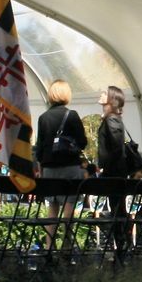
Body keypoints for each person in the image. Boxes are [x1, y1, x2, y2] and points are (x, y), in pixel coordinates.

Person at [34, 79, 89, 246]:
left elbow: (39, 147)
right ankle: (67, 244)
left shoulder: (43, 118)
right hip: (70, 168)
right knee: (69, 206)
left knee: (52, 207)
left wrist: (41, 167)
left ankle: (49, 245)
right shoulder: (72, 115)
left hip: (49, 170)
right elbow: (83, 142)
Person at [95, 84, 142, 257]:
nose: (101, 94)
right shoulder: (111, 119)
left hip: (113, 173)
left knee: (117, 210)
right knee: (117, 209)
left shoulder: (111, 120)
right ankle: (121, 244)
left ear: (111, 99)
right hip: (114, 172)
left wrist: (105, 167)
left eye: (104, 92)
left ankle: (121, 245)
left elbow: (115, 148)